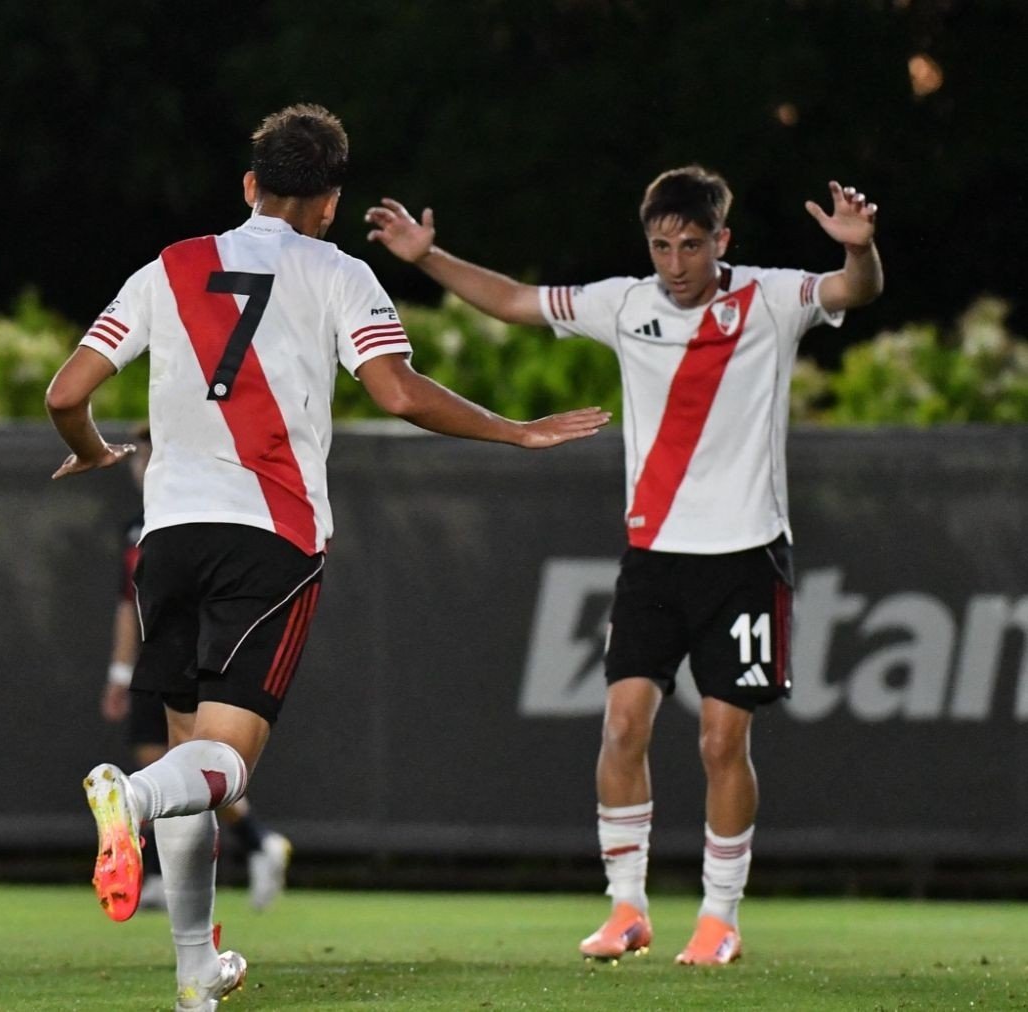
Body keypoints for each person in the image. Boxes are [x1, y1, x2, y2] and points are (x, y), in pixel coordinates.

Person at [46, 102, 609, 1011]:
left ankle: (195, 974)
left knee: (190, 755)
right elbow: (398, 391)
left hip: (168, 539)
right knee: (225, 764)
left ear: (249, 184)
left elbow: (65, 391)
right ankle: (130, 801)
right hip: (269, 537)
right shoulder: (338, 272)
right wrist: (514, 431)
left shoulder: (169, 266)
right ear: (330, 202)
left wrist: (90, 449)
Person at [365, 166, 882, 966]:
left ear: (721, 241)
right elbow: (513, 300)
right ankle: (626, 908)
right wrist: (426, 256)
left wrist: (859, 248)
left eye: (690, 246)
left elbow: (855, 290)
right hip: (654, 559)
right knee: (621, 724)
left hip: (746, 556)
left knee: (720, 742)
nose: (674, 263)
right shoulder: (622, 303)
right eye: (660, 247)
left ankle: (718, 916)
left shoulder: (772, 298)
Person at [101, 424, 292, 914]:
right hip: (159, 650)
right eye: (139, 455)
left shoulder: (210, 516)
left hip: (200, 651)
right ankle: (246, 845)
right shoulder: (138, 527)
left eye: (151, 453)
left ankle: (193, 861)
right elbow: (128, 605)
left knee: (187, 762)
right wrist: (120, 671)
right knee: (167, 760)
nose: (141, 464)